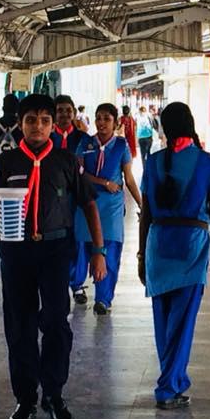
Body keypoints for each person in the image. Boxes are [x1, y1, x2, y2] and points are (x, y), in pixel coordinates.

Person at [0, 93, 106, 419]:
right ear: (20, 124)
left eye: (44, 121)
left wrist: (98, 251)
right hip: (16, 252)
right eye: (30, 120)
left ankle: (54, 393)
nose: (37, 127)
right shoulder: (6, 161)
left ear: (54, 125)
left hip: (55, 251)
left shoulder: (67, 161)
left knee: (55, 322)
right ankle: (25, 397)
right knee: (19, 325)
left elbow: (89, 205)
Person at [139, 102, 210, 410]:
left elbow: (145, 214)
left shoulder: (153, 162)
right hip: (191, 246)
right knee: (183, 321)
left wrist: (139, 256)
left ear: (164, 127)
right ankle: (168, 386)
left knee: (162, 322)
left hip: (157, 244)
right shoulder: (208, 163)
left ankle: (172, 379)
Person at [71, 103, 142, 315]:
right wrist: (104, 183)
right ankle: (77, 285)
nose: (101, 123)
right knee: (81, 247)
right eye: (98, 118)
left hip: (112, 205)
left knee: (110, 249)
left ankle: (103, 298)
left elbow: (128, 179)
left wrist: (141, 204)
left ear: (115, 121)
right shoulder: (85, 143)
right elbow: (78, 172)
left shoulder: (121, 146)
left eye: (106, 119)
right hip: (86, 201)